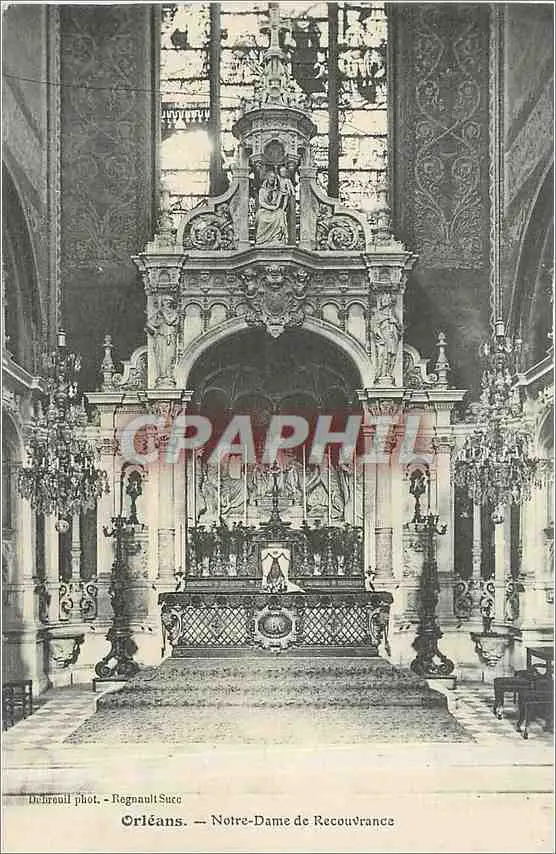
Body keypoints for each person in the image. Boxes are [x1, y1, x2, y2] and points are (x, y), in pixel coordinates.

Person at [254, 172, 287, 245]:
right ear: (267, 178)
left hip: (275, 211)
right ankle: (261, 239)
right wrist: (271, 208)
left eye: (274, 177)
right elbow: (261, 202)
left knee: (280, 214)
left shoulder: (277, 191)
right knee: (261, 218)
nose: (272, 179)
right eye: (271, 177)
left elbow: (278, 204)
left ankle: (276, 238)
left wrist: (281, 194)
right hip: (265, 210)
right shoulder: (262, 190)